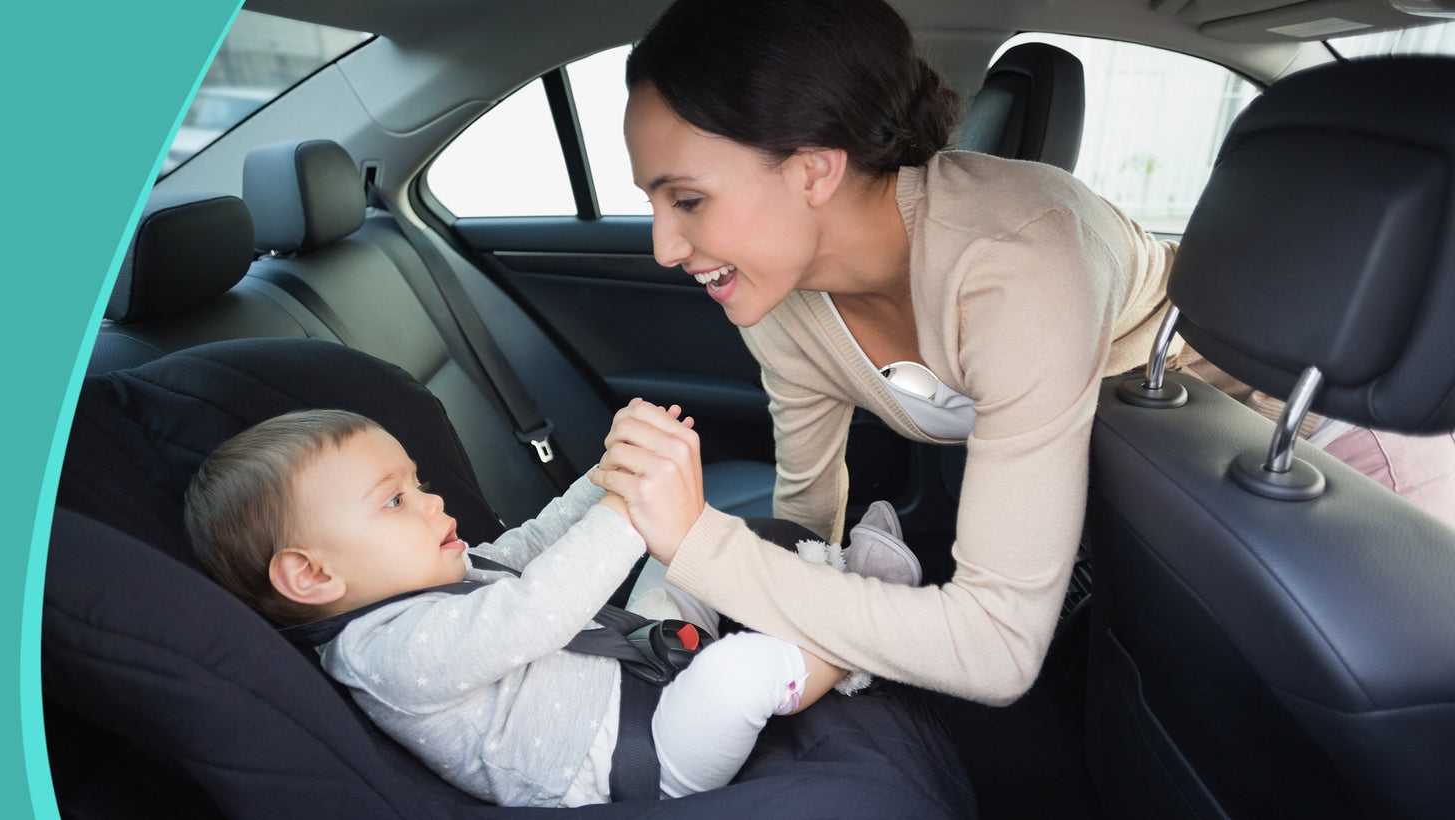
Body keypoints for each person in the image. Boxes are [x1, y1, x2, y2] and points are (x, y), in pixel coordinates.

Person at [601, 0, 1455, 709]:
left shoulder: (1019, 256)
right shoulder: (778, 302)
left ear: (814, 170)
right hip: (1159, 514)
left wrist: (700, 542)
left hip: (1325, 473)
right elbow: (809, 510)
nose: (664, 248)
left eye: (688, 199)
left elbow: (999, 649)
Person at [184, 408, 921, 807]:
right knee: (738, 675)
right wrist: (630, 513)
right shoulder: (387, 656)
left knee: (687, 545)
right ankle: (857, 632)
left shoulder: (438, 580)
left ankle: (826, 573)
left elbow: (532, 547)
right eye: (397, 500)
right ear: (311, 577)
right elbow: (537, 612)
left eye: (417, 482)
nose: (433, 499)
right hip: (639, 761)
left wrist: (606, 480)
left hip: (635, 670)